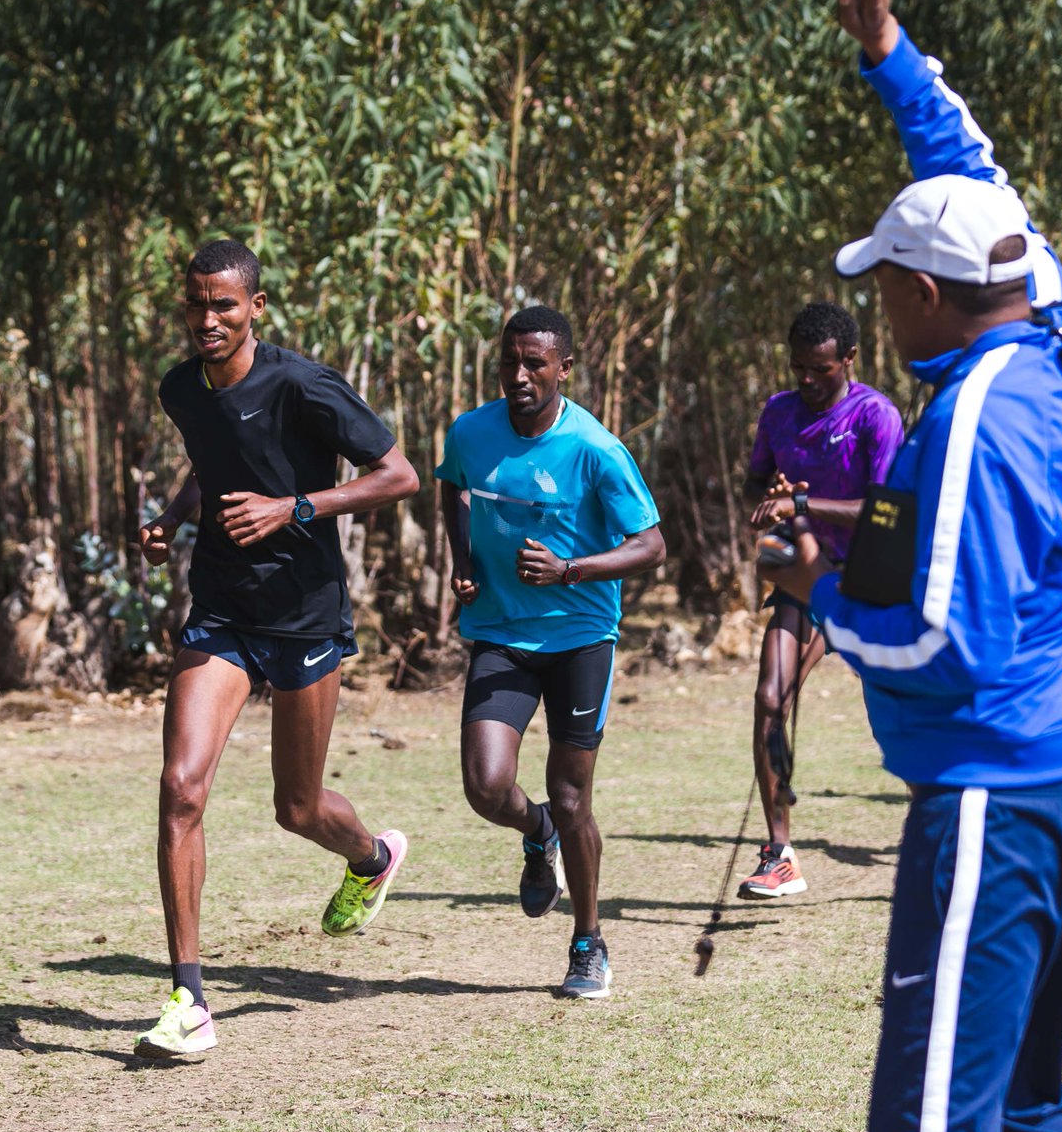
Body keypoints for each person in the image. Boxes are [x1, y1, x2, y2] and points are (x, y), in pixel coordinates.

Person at [775, 0, 1062, 1132]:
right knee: (1023, 1102)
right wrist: (886, 48)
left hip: (998, 802)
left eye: (884, 281)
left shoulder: (972, 419)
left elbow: (943, 636)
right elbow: (972, 171)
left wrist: (821, 598)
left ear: (930, 296)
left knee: (932, 1120)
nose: (875, 298)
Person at [132, 238, 421, 1059]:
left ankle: (371, 856)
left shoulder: (303, 384)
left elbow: (397, 475)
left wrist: (294, 507)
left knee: (297, 807)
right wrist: (177, 513)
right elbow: (207, 462)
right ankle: (189, 996)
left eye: (225, 305)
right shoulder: (181, 387)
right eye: (196, 304)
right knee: (181, 790)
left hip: (303, 614)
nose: (209, 319)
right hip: (221, 608)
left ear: (256, 307)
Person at [437, 305, 664, 1000]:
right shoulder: (473, 432)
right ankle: (536, 833)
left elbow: (651, 546)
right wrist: (464, 558)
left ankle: (589, 940)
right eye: (510, 361)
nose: (519, 375)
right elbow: (451, 485)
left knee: (572, 797)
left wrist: (570, 569)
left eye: (536, 363)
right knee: (484, 783)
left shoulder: (595, 448)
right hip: (503, 631)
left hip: (579, 638)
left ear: (564, 367)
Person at [738, 301, 903, 897]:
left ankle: (943, 833)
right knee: (768, 700)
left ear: (849, 360)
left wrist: (802, 505)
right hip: (802, 582)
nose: (806, 380)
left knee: (900, 717)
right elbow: (756, 482)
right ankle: (780, 852)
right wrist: (774, 493)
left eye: (820, 369)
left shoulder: (875, 416)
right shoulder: (779, 412)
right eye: (798, 367)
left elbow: (886, 511)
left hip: (871, 584)